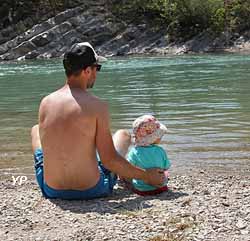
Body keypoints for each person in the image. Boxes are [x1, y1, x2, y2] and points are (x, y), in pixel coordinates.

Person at [31, 42, 165, 200]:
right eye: (97, 68)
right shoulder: (97, 106)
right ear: (87, 70)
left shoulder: (46, 102)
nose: (97, 74)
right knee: (123, 135)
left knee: (35, 129)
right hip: (91, 189)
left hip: (52, 189)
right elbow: (110, 161)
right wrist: (147, 176)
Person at [126, 115, 171, 196]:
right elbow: (166, 166)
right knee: (165, 172)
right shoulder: (160, 151)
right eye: (159, 136)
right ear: (153, 138)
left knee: (128, 180)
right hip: (161, 187)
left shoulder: (134, 152)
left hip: (141, 189)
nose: (160, 138)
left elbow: (129, 168)